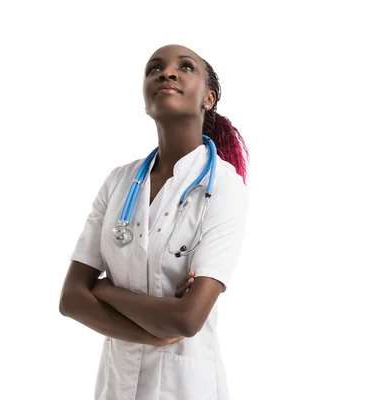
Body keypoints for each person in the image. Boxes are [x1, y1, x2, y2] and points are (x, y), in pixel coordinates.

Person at [59, 44, 250, 400]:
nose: (167, 73)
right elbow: (70, 299)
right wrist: (154, 334)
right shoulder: (119, 181)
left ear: (207, 98)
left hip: (186, 387)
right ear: (145, 100)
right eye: (154, 68)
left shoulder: (224, 186)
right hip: (116, 384)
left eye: (185, 67)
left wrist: (102, 290)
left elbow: (188, 320)